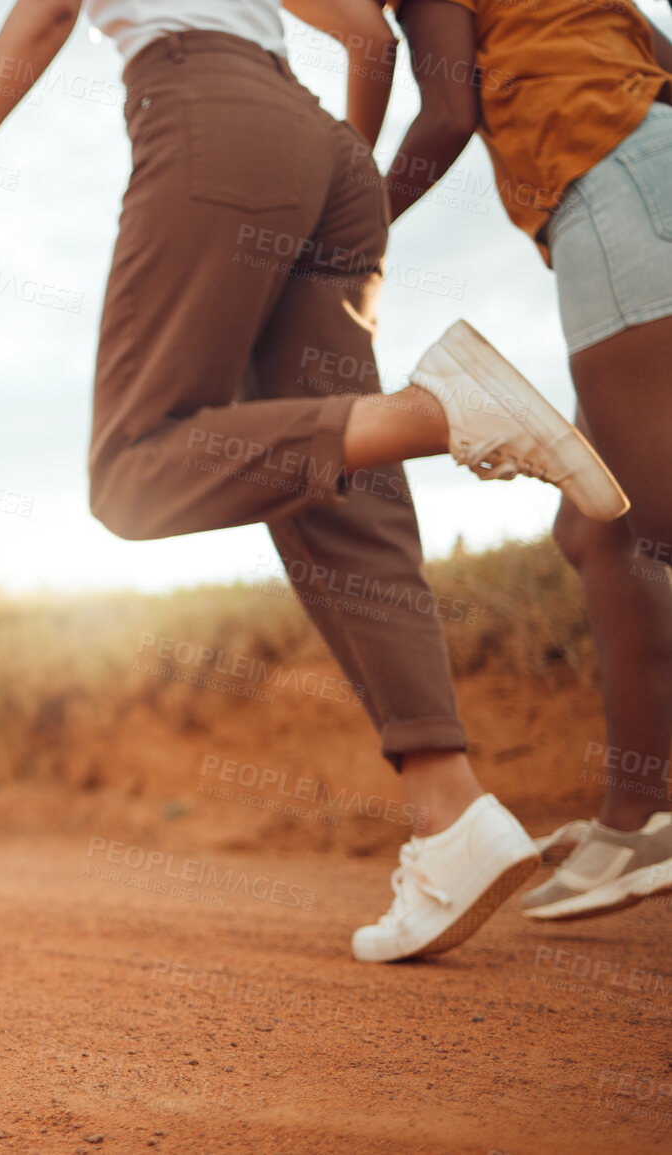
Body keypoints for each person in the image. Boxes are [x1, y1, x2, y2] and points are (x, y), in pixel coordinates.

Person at [0, 0, 631, 962]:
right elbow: (369, 36)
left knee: (134, 472)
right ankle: (450, 815)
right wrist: (326, 172)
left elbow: (48, 12)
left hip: (206, 115)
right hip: (319, 144)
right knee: (335, 478)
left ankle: (436, 416)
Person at [380, 0, 672, 921]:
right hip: (644, 159)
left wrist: (350, 228)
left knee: (658, 513)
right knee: (599, 523)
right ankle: (641, 815)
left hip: (609, 181)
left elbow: (444, 112)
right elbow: (657, 51)